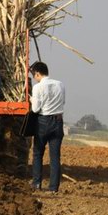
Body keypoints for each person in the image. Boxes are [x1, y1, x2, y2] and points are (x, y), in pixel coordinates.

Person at [29, 61, 65, 194]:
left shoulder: (37, 87)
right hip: (58, 122)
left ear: (37, 73)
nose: (34, 78)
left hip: (43, 122)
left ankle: (37, 184)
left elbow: (36, 109)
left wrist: (32, 100)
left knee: (38, 153)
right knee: (55, 157)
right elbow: (63, 102)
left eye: (34, 75)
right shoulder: (60, 84)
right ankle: (53, 188)